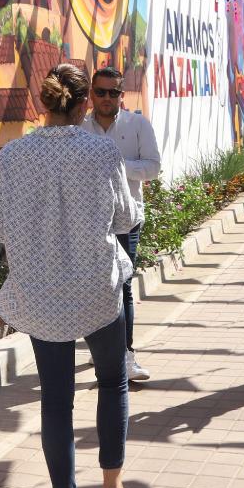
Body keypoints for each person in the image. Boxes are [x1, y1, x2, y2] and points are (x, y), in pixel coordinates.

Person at [0, 64, 150, 488]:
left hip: (40, 293)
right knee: (112, 382)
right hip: (97, 287)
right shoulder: (102, 152)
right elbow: (124, 217)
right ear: (82, 106)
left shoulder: (13, 156)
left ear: (43, 105)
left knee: (56, 401)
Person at [83, 66, 163, 382]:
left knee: (124, 286)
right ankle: (101, 350)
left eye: (113, 92)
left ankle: (126, 355)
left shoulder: (137, 124)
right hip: (88, 222)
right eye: (100, 92)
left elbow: (153, 167)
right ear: (91, 94)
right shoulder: (79, 128)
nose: (106, 98)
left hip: (127, 219)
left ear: (122, 95)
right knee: (93, 288)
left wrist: (116, 164)